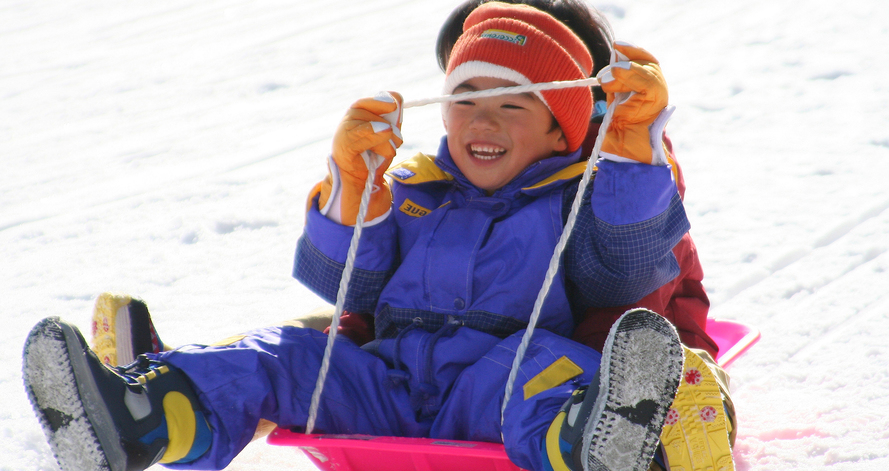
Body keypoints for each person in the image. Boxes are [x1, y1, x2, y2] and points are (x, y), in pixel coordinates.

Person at [23, 3, 725, 471]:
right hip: (386, 384)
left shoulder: (582, 196)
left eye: (512, 106)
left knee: (542, 365)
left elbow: (625, 273)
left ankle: (594, 439)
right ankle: (143, 414)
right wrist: (351, 189)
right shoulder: (417, 191)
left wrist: (633, 157)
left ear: (562, 127)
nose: (483, 124)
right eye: (465, 102)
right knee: (289, 353)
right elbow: (351, 289)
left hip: (497, 387)